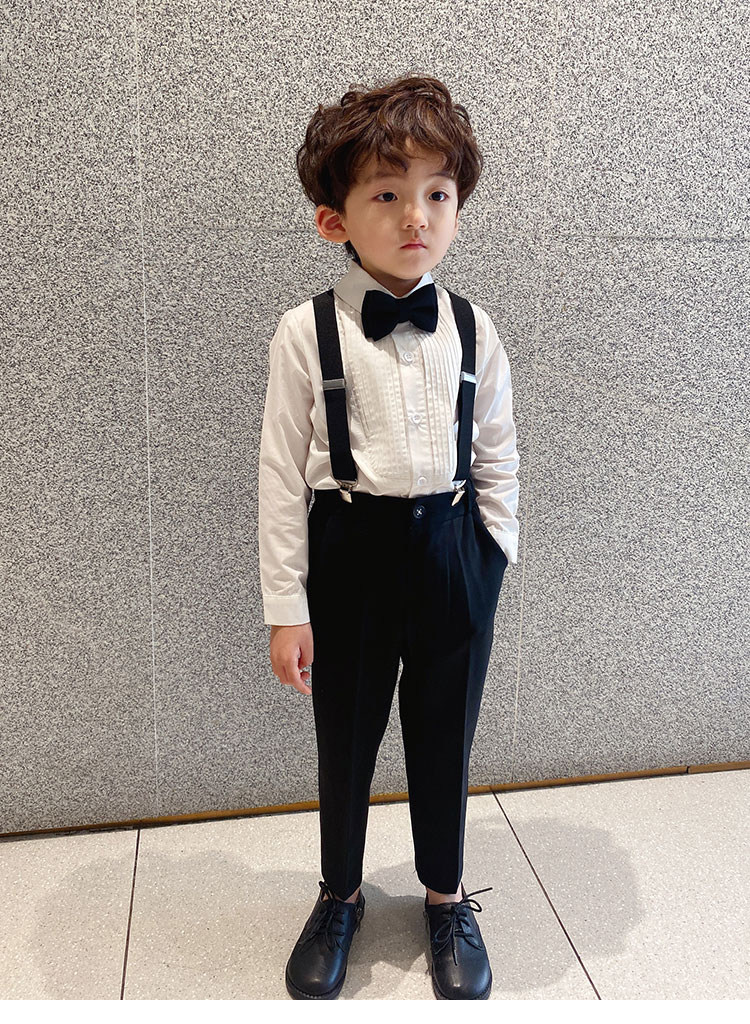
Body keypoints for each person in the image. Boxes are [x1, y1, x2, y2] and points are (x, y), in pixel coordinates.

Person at [258, 74, 520, 1000]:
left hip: (451, 554)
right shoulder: (305, 333)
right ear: (333, 219)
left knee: (446, 736)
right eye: (387, 194)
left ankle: (446, 896)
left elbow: (497, 453)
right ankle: (340, 894)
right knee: (346, 739)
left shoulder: (476, 329)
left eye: (437, 194)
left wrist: (492, 557)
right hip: (350, 555)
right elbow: (280, 478)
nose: (417, 216)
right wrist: (286, 606)